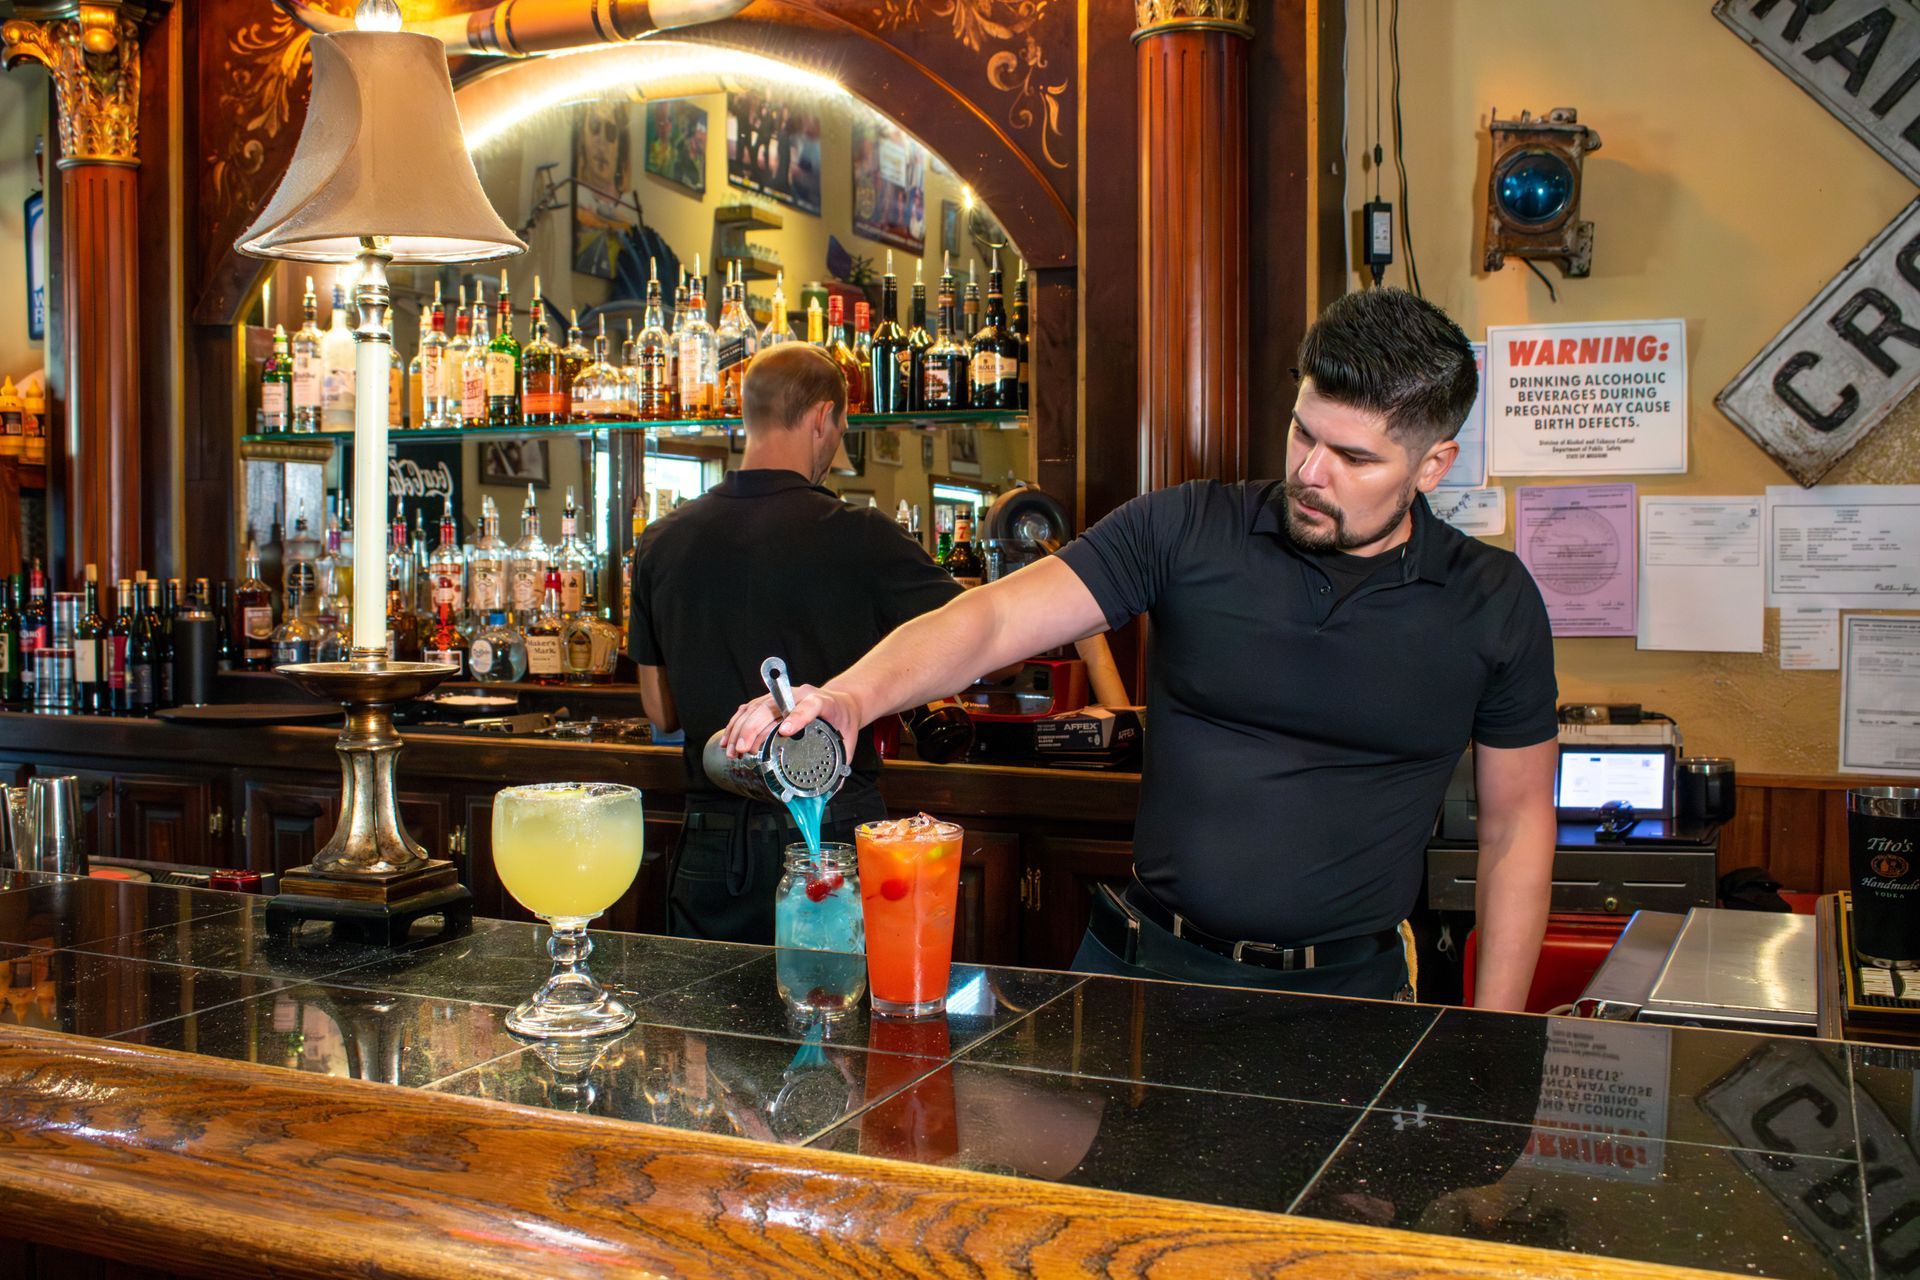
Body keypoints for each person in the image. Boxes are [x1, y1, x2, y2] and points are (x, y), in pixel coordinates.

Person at [724, 288, 1559, 1005]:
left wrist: (1490, 1039)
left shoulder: (1491, 602)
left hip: (1354, 991)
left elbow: (1518, 827)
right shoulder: (1188, 528)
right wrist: (850, 696)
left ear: (1433, 465)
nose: (1310, 472)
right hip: (1148, 968)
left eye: (1353, 457)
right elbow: (993, 619)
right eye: (1304, 434)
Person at [629, 344, 962, 943]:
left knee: (709, 1026)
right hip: (832, 832)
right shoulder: (862, 535)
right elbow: (972, 640)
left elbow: (661, 711)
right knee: (838, 1016)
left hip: (715, 840)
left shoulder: (661, 540)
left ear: (746, 415)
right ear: (821, 418)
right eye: (840, 428)